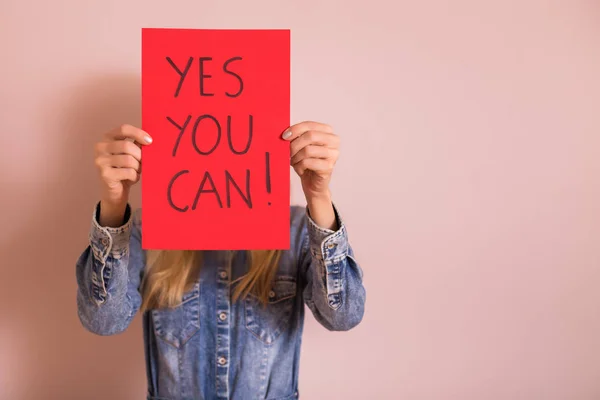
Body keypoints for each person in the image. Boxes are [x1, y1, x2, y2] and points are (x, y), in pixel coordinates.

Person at [75, 121, 366, 400]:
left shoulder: (297, 229)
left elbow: (342, 316)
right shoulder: (147, 230)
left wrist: (318, 196)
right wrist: (113, 204)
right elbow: (103, 320)